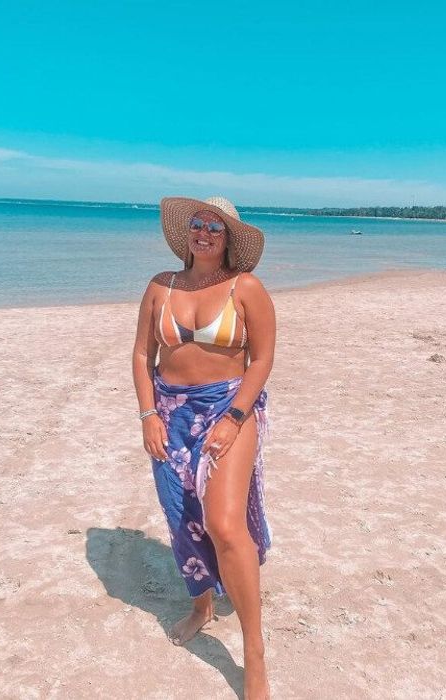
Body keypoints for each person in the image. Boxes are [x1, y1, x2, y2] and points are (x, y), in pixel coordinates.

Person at [131, 196, 276, 698]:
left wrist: (235, 418)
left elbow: (261, 360)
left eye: (216, 227)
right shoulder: (160, 286)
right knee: (182, 517)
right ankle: (202, 605)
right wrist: (148, 414)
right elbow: (143, 354)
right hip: (169, 413)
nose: (205, 233)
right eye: (198, 224)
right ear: (186, 232)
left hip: (228, 408)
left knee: (224, 524)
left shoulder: (246, 287)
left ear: (229, 238)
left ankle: (254, 652)